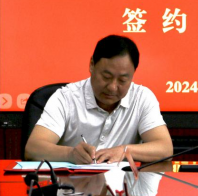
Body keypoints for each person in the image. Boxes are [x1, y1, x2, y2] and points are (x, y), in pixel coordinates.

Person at [25, 35, 173, 164]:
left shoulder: (142, 98)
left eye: (122, 80)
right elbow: (33, 149)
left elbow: (165, 149)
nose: (112, 87)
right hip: (70, 185)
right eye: (106, 77)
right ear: (91, 65)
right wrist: (70, 154)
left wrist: (125, 150)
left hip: (123, 186)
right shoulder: (66, 98)